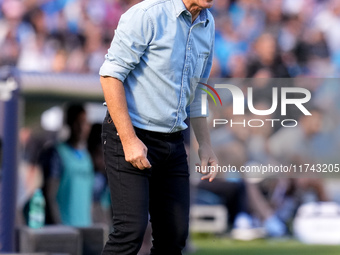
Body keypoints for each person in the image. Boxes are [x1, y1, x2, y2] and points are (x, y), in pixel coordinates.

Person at [99, 0, 218, 254]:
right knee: (130, 232)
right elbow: (110, 76)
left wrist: (205, 144)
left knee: (174, 237)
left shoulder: (208, 23)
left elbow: (198, 92)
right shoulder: (146, 15)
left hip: (173, 142)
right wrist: (129, 140)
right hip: (130, 134)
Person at [40, 104, 94, 226]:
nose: (81, 128)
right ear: (68, 123)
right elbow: (50, 195)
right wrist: (60, 228)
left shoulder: (87, 157)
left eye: (84, 123)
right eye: (77, 123)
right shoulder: (56, 153)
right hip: (65, 230)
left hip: (86, 228)